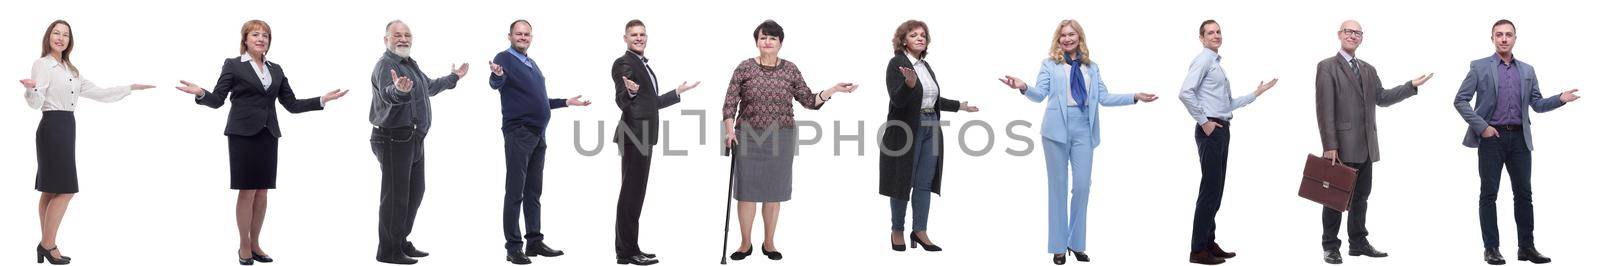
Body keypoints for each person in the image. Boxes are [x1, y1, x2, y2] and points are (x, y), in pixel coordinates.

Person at [173, 19, 350, 266]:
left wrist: (322, 99)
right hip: (243, 134)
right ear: (245, 39)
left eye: (265, 35)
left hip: (268, 134)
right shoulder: (234, 65)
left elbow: (292, 104)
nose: (261, 39)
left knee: (263, 191)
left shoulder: (275, 69)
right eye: (255, 34)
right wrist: (201, 93)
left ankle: (256, 243)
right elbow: (218, 100)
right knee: (247, 191)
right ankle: (244, 245)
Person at [996, 19, 1159, 265]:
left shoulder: (1091, 67)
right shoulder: (1049, 65)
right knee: (1057, 189)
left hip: (1084, 128)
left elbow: (1104, 97)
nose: (1067, 39)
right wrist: (1023, 87)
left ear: (1079, 37)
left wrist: (1134, 96)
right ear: (1058, 39)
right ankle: (1059, 247)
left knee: (1082, 187)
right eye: (1063, 35)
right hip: (1056, 130)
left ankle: (1077, 242)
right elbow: (1040, 94)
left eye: (1072, 34)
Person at [19, 20, 155, 265]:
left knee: (51, 189)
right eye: (56, 33)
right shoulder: (42, 64)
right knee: (66, 189)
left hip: (67, 126)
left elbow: (99, 93)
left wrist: (130, 88)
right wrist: (31, 90)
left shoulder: (71, 70)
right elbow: (36, 102)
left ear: (70, 41)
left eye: (66, 35)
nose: (60, 38)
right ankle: (47, 245)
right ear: (48, 37)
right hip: (52, 127)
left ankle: (46, 243)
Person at [722, 19, 857, 262]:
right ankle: (745, 243)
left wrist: (832, 91)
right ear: (757, 42)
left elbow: (808, 100)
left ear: (780, 43)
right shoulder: (744, 68)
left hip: (780, 137)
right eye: (763, 38)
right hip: (748, 136)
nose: (768, 42)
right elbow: (729, 104)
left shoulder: (790, 69)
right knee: (747, 193)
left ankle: (769, 242)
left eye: (773, 38)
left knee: (773, 192)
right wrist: (729, 131)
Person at [1452, 19, 1578, 265]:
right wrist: (1482, 127)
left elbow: (1537, 105)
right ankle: (1491, 248)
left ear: (1515, 38)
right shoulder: (1479, 67)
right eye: (1499, 34)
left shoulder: (1527, 70)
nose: (1504, 39)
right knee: (1489, 194)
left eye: (1508, 34)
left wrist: (1559, 99)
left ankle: (1526, 248)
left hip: (1520, 139)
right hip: (1492, 138)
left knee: (1524, 194)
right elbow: (1460, 100)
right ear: (1492, 38)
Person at [1312, 20, 1433, 265]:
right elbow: (1325, 109)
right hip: (1340, 146)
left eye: (1357, 33)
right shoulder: (1327, 67)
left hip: (1367, 145)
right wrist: (1329, 146)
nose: (1352, 36)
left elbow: (1383, 98)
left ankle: (1357, 243)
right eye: (1348, 31)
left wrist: (1410, 86)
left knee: (1361, 197)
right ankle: (1330, 246)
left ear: (1361, 38)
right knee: (1335, 198)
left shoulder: (1368, 69)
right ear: (1339, 35)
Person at [488, 19, 592, 265]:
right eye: (519, 34)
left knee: (533, 191)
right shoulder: (504, 58)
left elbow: (540, 100)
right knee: (515, 192)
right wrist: (496, 76)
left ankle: (533, 241)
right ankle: (514, 247)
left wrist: (566, 102)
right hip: (519, 132)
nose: (523, 37)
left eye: (527, 34)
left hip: (538, 133)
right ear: (510, 36)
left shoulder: (531, 64)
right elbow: (496, 82)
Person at [1175, 19, 1277, 265]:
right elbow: (1184, 92)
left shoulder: (1216, 64)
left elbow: (1226, 105)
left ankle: (1208, 243)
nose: (1216, 35)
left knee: (1216, 191)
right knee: (1210, 190)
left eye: (1218, 31)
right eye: (1210, 32)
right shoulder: (1203, 60)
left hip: (1221, 128)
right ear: (1201, 38)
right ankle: (1198, 250)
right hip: (1210, 130)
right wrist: (1204, 122)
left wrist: (1256, 94)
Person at [368, 20, 468, 265]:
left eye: (407, 35)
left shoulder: (410, 65)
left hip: (413, 138)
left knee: (415, 192)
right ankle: (388, 251)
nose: (403, 39)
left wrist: (453, 77)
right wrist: (400, 91)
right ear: (386, 40)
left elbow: (429, 86)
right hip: (393, 138)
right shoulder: (385, 66)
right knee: (395, 196)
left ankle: (400, 241)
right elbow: (389, 92)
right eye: (397, 35)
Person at [877, 19, 979, 254]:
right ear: (903, 40)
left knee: (924, 182)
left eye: (923, 35)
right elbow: (898, 100)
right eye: (914, 35)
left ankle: (920, 231)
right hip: (906, 131)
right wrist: (909, 85)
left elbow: (931, 99)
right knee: (902, 181)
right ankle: (897, 230)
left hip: (931, 126)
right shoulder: (897, 64)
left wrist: (959, 106)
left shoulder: (925, 66)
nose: (920, 38)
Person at [610, 19, 699, 266]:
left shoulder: (641, 64)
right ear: (625, 38)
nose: (639, 38)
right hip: (634, 136)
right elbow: (623, 99)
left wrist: (677, 93)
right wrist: (630, 92)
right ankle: (626, 252)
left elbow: (651, 103)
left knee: (635, 194)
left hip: (644, 135)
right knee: (631, 194)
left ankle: (629, 248)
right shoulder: (624, 63)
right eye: (633, 35)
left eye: (642, 34)